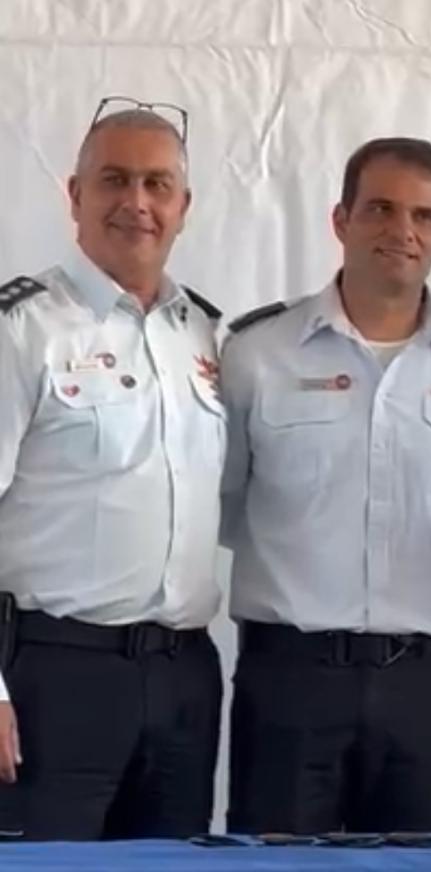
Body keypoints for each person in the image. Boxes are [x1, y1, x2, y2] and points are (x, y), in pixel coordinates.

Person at [220, 137, 431, 835]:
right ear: (340, 219)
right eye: (380, 208)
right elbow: (221, 507)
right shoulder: (258, 353)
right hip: (292, 679)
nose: (401, 230)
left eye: (422, 215)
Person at [0, 98, 224, 840]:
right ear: (75, 195)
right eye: (114, 180)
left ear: (184, 205)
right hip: (55, 674)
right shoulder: (24, 329)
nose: (137, 201)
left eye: (158, 184)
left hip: (184, 676)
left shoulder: (203, 335)